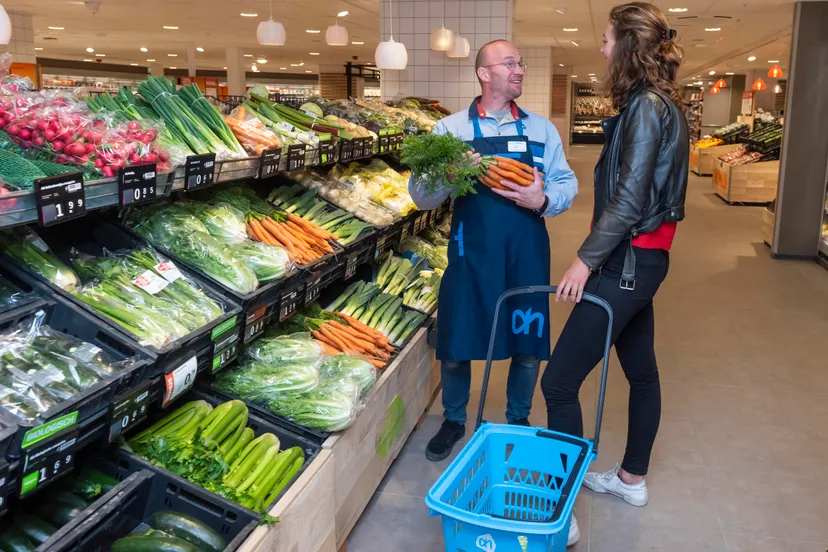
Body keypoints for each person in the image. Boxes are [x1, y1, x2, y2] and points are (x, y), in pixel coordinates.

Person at [539, 2, 688, 546]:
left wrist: (584, 260)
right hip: (645, 262)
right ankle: (632, 478)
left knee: (557, 382)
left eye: (606, 40)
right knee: (642, 373)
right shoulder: (658, 103)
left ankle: (560, 508)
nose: (600, 49)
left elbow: (628, 199)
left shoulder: (648, 107)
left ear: (626, 45)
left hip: (625, 263)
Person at [409, 40, 577, 463]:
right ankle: (453, 419)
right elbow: (420, 196)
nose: (520, 69)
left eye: (521, 62)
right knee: (457, 339)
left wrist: (543, 199)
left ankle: (518, 419)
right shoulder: (449, 131)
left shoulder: (541, 130)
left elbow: (567, 183)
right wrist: (451, 171)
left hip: (526, 249)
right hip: (471, 250)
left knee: (528, 339)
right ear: (485, 73)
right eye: (510, 63)